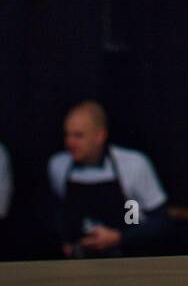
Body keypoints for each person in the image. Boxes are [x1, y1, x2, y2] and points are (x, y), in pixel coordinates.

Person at [48, 101, 171, 258]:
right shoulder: (59, 166)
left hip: (128, 261)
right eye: (67, 134)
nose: (69, 142)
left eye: (78, 135)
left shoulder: (133, 165)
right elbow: (60, 212)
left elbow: (161, 221)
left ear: (100, 136)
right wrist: (66, 243)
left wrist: (119, 238)